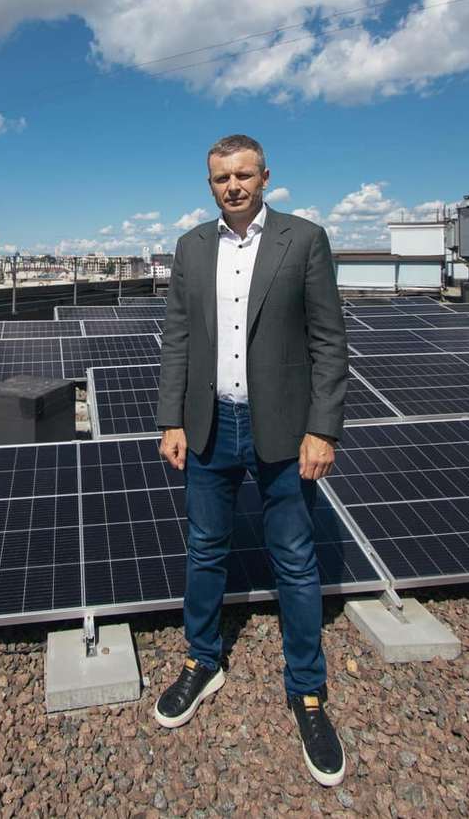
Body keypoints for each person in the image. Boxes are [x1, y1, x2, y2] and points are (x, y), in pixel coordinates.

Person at [153, 133, 349, 786]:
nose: (232, 186)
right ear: (209, 184)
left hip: (284, 429)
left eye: (243, 175)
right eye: (220, 179)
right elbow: (177, 339)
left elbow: (328, 340)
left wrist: (323, 429)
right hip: (210, 426)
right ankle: (201, 661)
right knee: (205, 548)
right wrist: (172, 417)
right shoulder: (191, 248)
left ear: (266, 176)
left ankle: (308, 693)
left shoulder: (305, 239)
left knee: (294, 559)